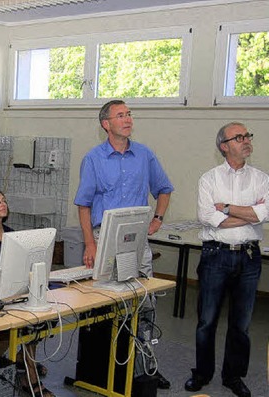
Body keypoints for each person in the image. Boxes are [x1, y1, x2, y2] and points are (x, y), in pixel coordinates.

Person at [74, 99, 174, 388]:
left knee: (144, 302)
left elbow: (164, 189)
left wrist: (158, 218)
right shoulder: (94, 159)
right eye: (121, 115)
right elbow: (83, 205)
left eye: (129, 114)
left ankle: (147, 367)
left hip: (137, 240)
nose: (128, 119)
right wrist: (90, 244)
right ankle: (107, 367)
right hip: (104, 236)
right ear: (106, 124)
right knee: (105, 301)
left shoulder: (144, 155)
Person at [185, 122, 268, 397]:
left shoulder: (261, 178)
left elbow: (264, 215)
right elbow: (208, 218)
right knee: (206, 321)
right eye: (239, 137)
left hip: (249, 257)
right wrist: (248, 213)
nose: (246, 140)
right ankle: (202, 373)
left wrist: (228, 209)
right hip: (215, 256)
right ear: (224, 146)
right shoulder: (209, 179)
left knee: (241, 325)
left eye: (247, 136)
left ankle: (233, 377)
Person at [0, 190, 54, 397]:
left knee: (38, 321)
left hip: (12, 294)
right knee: (20, 327)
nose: (2, 204)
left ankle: (24, 363)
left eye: (4, 201)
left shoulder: (12, 234)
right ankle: (28, 375)